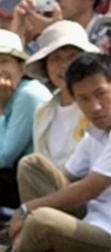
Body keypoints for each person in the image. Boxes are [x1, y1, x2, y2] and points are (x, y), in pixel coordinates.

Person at [3, 53, 111, 252]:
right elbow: (66, 176)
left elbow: (90, 187)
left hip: (106, 234)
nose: (96, 107)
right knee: (32, 165)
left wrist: (27, 209)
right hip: (88, 220)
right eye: (83, 99)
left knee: (42, 220)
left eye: (101, 93)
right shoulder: (95, 132)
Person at [0, 29, 50, 208]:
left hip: (40, 183)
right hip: (17, 178)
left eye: (4, 61)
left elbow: (4, 158)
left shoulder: (29, 94)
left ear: (20, 66)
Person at [18, 20, 96, 188]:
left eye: (72, 57)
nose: (64, 66)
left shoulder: (98, 106)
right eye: (56, 59)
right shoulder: (42, 111)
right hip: (50, 190)